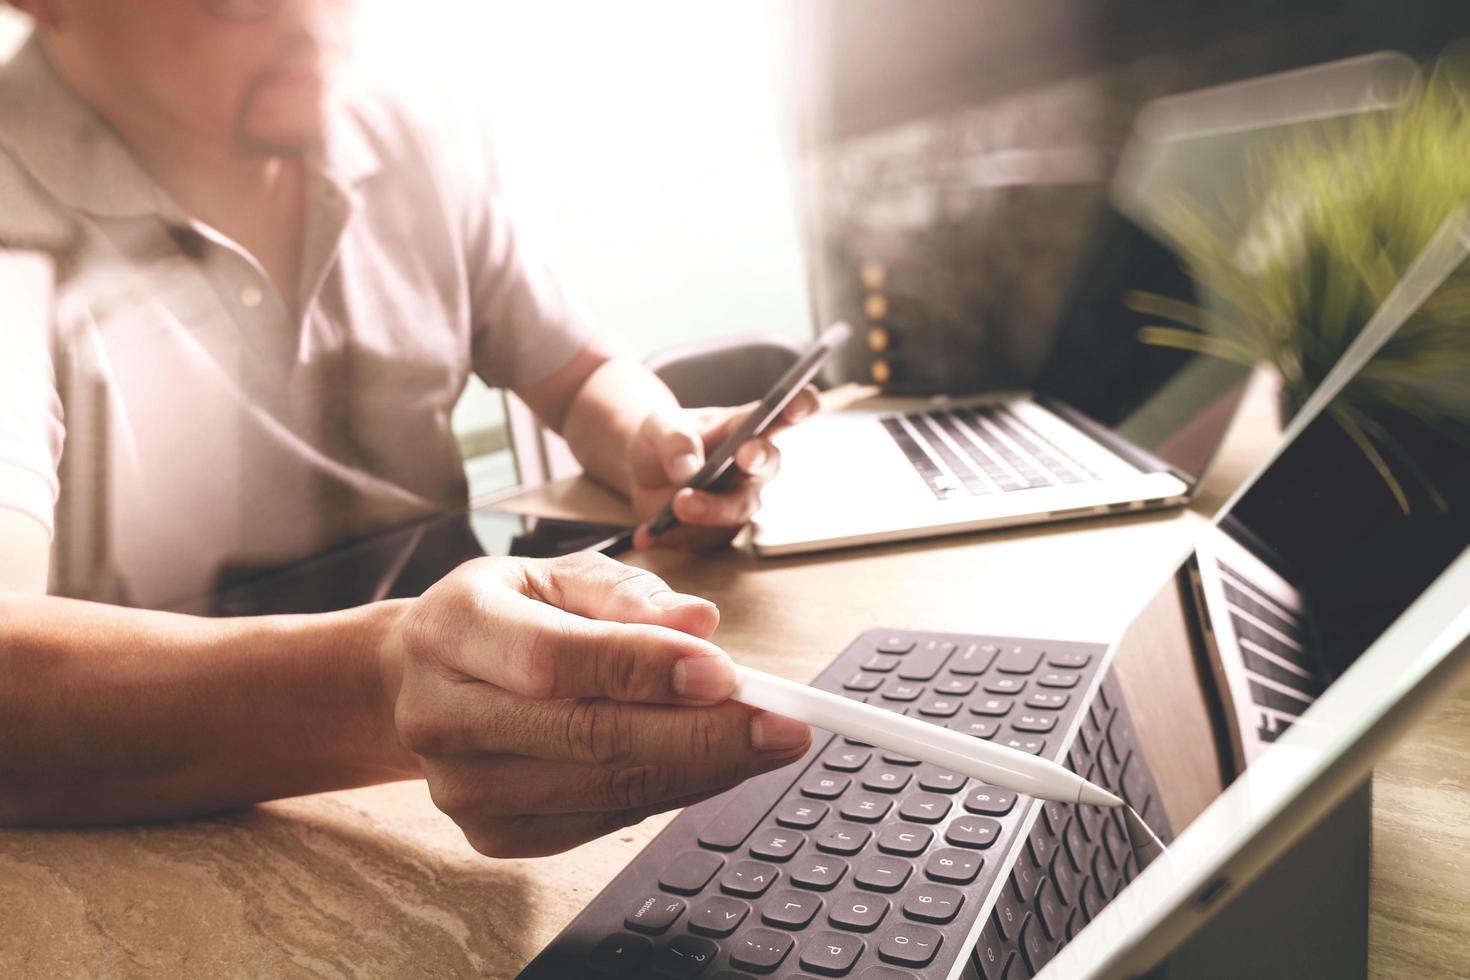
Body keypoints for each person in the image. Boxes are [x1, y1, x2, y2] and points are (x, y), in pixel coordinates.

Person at [0, 0, 815, 855]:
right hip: (170, 832)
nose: (318, 19)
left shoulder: (391, 121)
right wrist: (386, 684)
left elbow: (579, 377)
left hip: (478, 757)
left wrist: (651, 436)